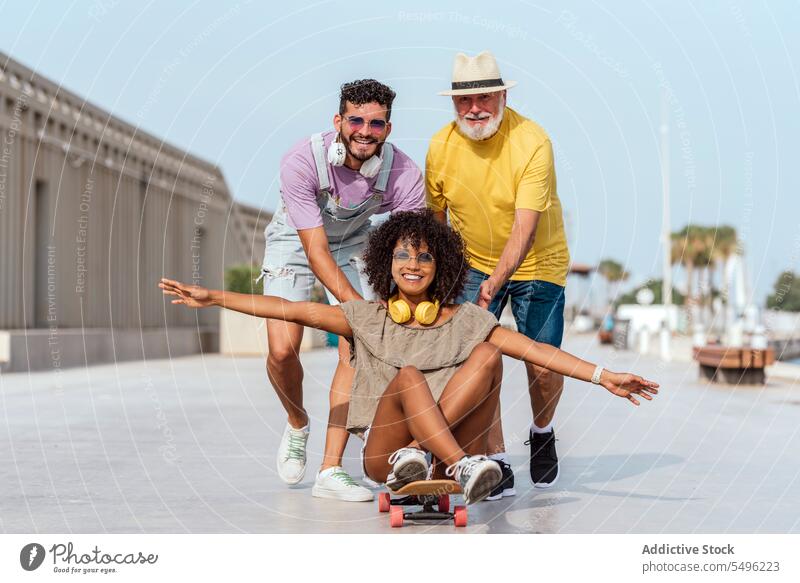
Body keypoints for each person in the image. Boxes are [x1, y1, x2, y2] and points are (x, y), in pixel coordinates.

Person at [159, 211, 659, 505]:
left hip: (442, 445)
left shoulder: (465, 319)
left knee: (491, 356)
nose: (413, 265)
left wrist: (604, 375)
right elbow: (292, 307)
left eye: (423, 257)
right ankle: (462, 467)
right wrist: (214, 296)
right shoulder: (367, 317)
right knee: (411, 375)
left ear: (440, 267)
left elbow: (538, 351)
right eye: (402, 256)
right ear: (386, 265)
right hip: (386, 457)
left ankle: (451, 461)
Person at [260, 79, 425, 501]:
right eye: (355, 120)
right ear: (338, 121)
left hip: (354, 241)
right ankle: (298, 424)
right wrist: (360, 311)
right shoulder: (302, 160)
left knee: (356, 344)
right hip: (296, 241)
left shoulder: (404, 174)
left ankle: (331, 470)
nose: (364, 131)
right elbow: (315, 251)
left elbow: (408, 247)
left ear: (388, 128)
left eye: (376, 123)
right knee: (281, 350)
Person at [426, 50, 572, 498]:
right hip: (472, 263)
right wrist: (439, 281)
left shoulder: (532, 141)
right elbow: (435, 224)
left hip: (538, 262)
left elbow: (525, 227)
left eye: (485, 97)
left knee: (542, 364)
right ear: (452, 104)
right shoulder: (440, 146)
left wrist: (498, 278)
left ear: (503, 95)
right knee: (476, 361)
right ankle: (497, 459)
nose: (475, 109)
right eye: (463, 101)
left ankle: (542, 429)